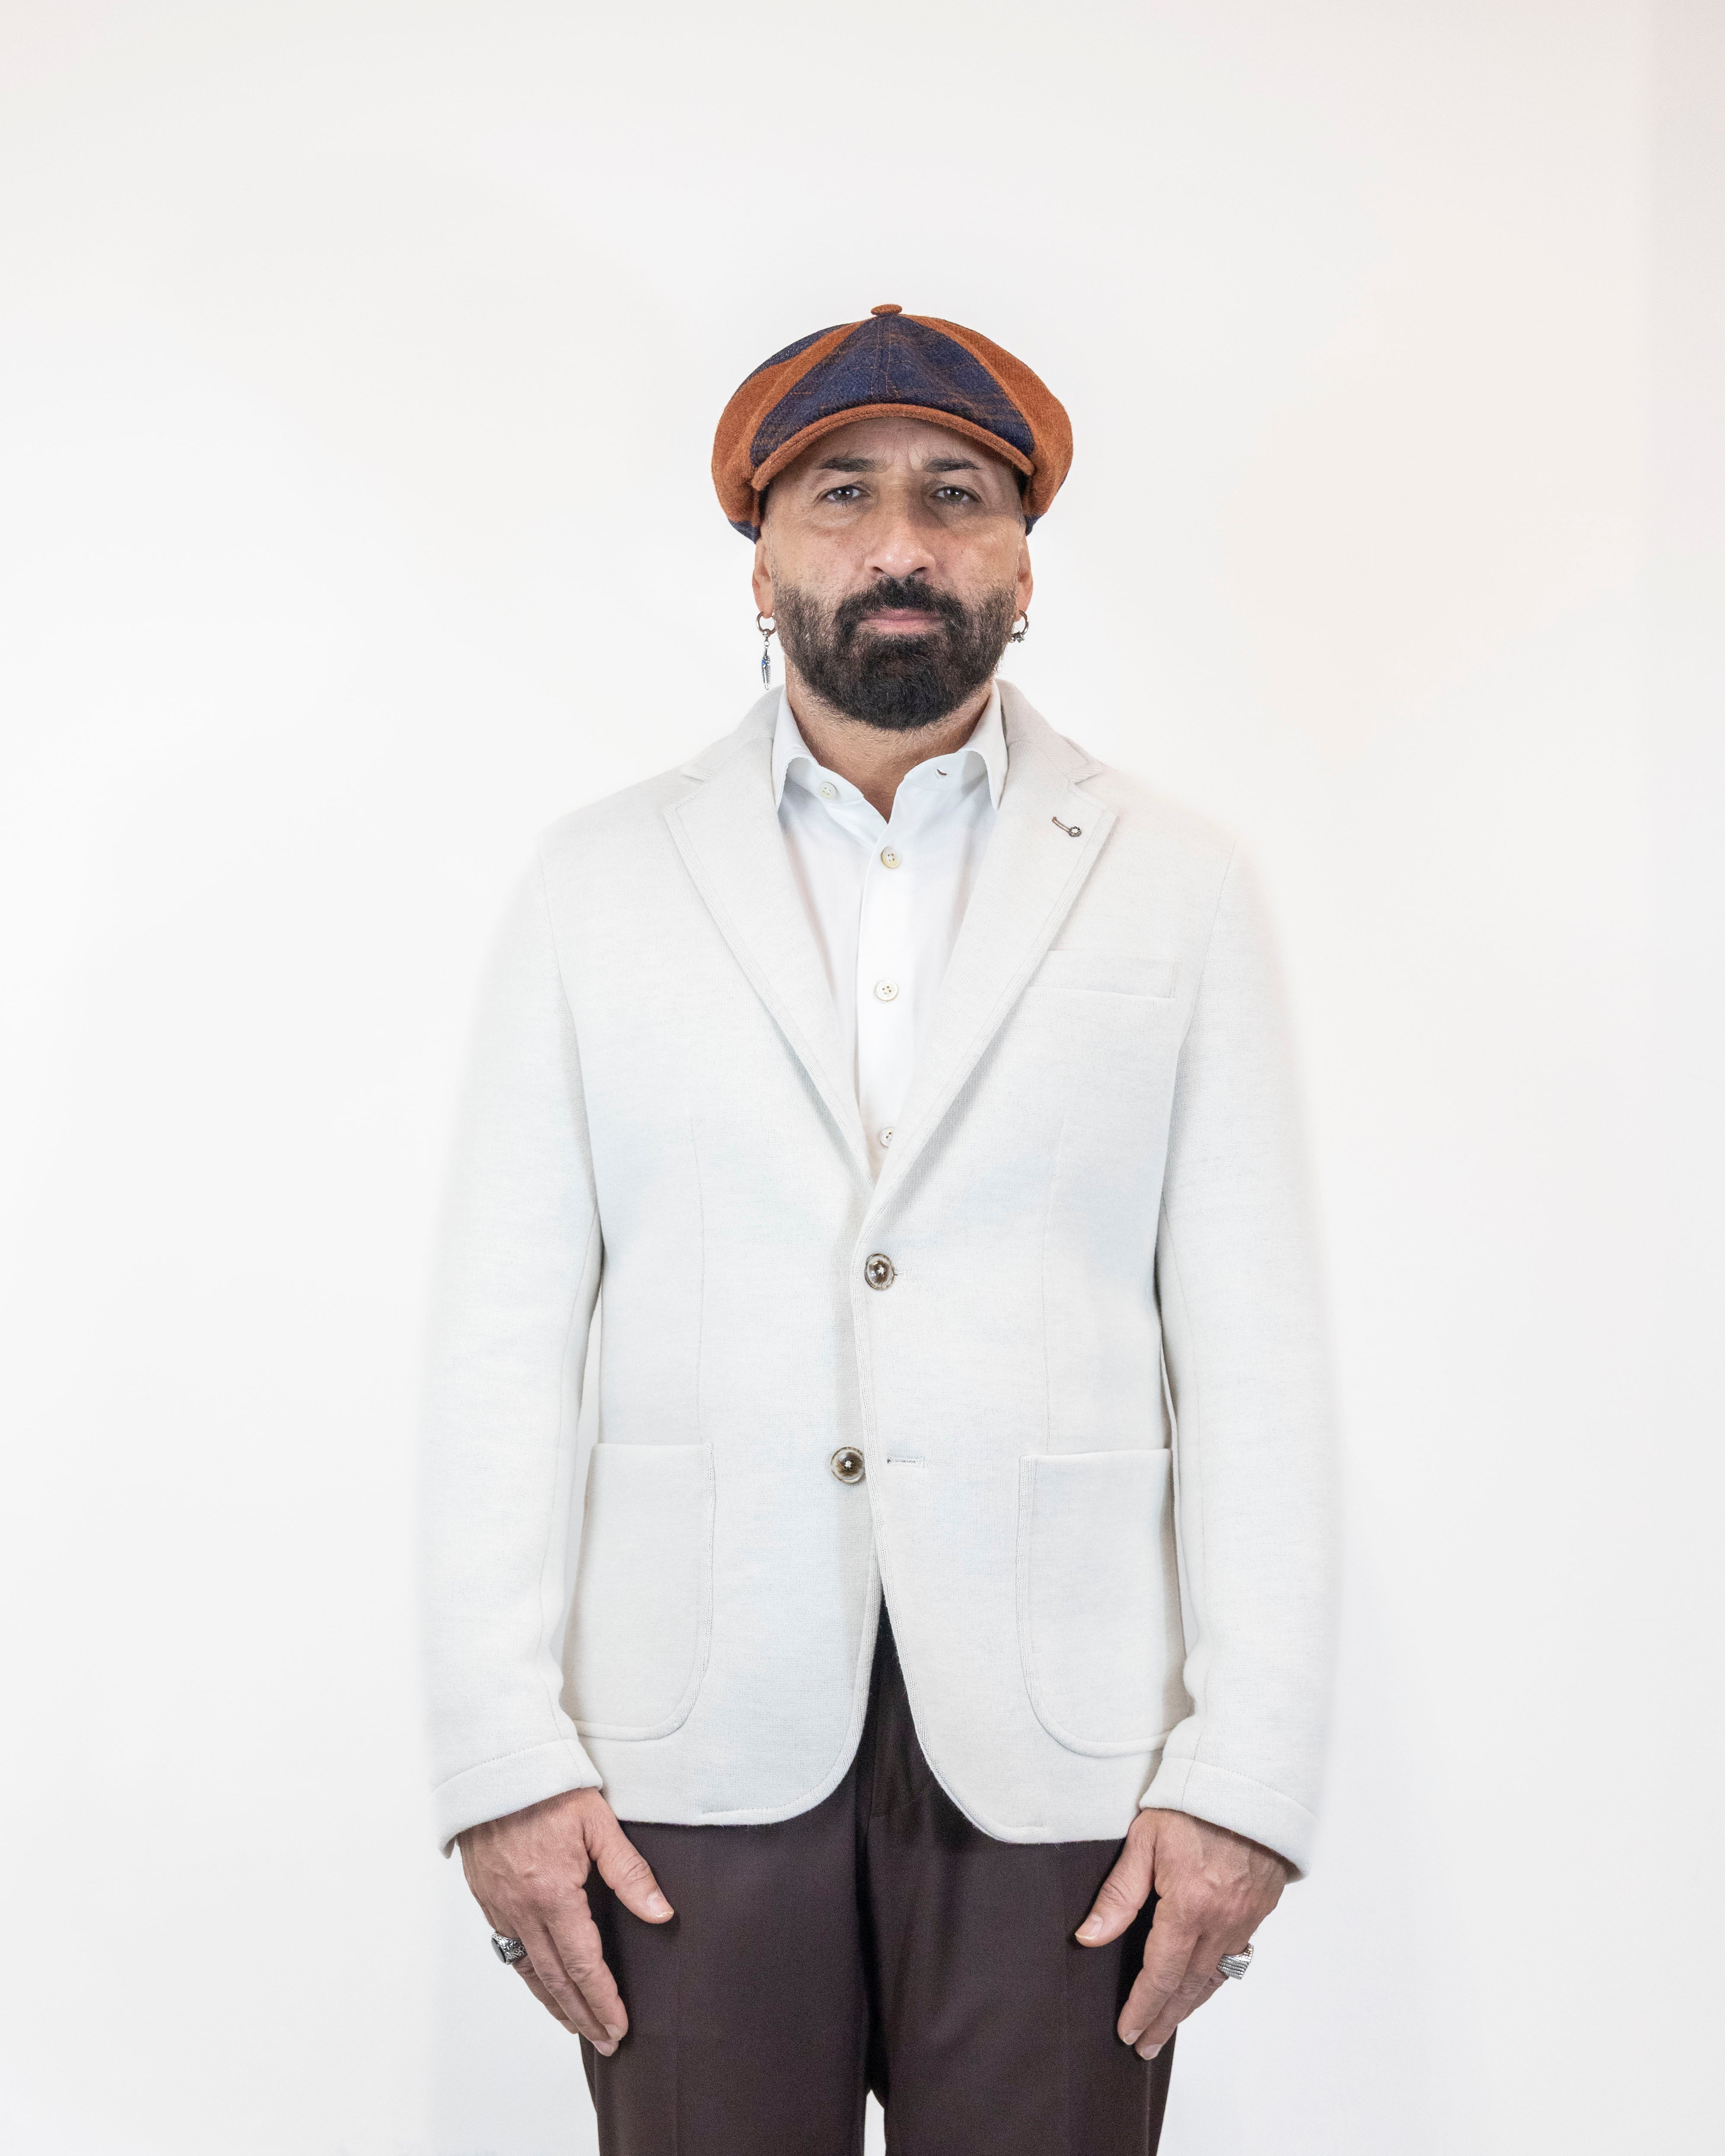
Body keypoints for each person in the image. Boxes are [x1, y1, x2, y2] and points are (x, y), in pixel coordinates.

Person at [421, 303, 1338, 2154]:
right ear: (760, 563)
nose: (900, 542)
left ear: (1024, 565)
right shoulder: (599, 883)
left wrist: (1246, 1774)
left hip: (1074, 1772)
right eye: (840, 495)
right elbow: (500, 1346)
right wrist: (499, 1756)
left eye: (956, 496)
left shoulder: (1176, 887)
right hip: (683, 1754)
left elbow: (1256, 1357)